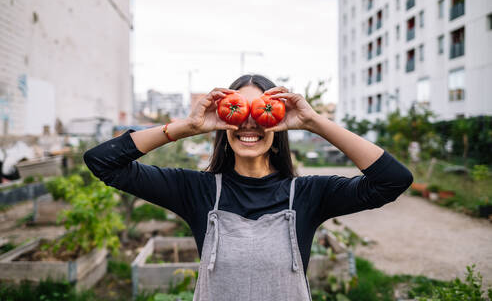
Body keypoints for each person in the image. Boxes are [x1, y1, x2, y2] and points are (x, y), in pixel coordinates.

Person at [83, 74, 413, 300]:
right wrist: (187, 126)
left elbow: (393, 180)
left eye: (261, 111)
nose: (249, 122)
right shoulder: (196, 190)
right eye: (238, 111)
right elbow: (102, 162)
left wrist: (314, 123)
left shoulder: (310, 195)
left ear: (280, 121)